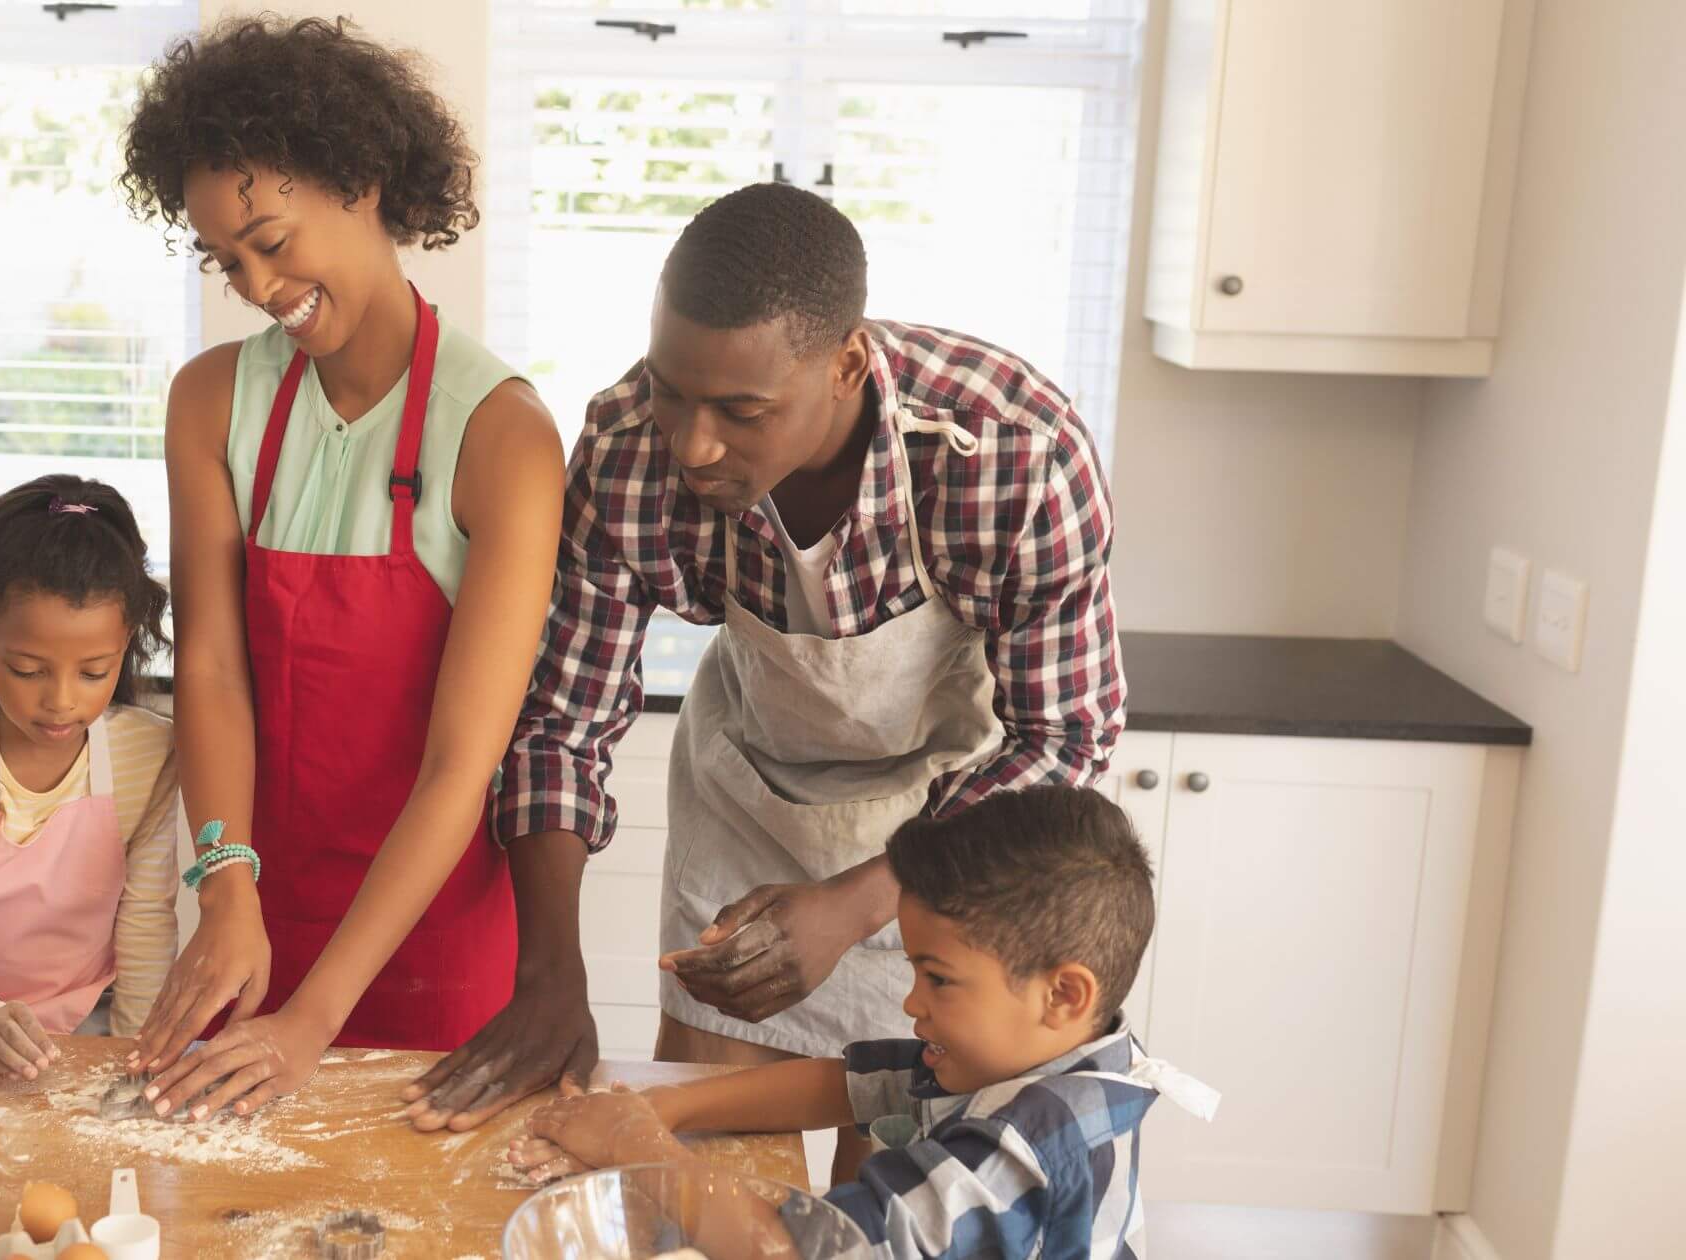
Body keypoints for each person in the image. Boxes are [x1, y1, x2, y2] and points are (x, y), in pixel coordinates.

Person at [405, 183, 1128, 1182]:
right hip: (743, 812)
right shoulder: (627, 453)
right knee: (699, 1187)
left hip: (956, 842)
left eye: (742, 412)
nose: (693, 444)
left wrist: (858, 900)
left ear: (844, 365)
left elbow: (1062, 741)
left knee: (892, 1198)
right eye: (670, 389)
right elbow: (561, 727)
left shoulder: (1011, 454)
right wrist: (549, 976)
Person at [118, 16, 565, 1120]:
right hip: (252, 917)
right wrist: (223, 883)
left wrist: (314, 1019)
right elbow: (213, 672)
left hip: (429, 940)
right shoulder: (211, 402)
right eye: (227, 261)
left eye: (272, 240)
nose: (260, 286)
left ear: (362, 181)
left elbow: (463, 766)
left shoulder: (503, 437)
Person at [508, 786, 1216, 1260]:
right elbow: (846, 1087)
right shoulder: (1058, 1051)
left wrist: (639, 1147)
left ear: (1062, 992)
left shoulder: (1017, 1151)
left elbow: (782, 1249)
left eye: (936, 977)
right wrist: (662, 1106)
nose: (912, 1002)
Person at [0, 474, 178, 1082]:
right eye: (29, 670)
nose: (61, 702)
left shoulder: (146, 756)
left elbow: (147, 922)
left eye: (93, 672)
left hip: (87, 1026)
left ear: (124, 647)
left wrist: (135, 1056)